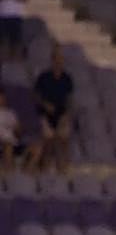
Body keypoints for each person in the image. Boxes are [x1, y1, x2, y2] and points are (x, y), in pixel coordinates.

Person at [33, 45, 72, 173]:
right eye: (56, 58)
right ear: (52, 60)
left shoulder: (67, 78)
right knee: (48, 138)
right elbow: (36, 96)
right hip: (45, 114)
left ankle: (64, 167)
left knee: (64, 137)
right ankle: (45, 165)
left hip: (61, 115)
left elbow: (69, 99)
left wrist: (66, 115)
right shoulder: (44, 77)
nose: (58, 61)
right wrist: (45, 105)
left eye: (60, 58)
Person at [0, 88, 22, 169]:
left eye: (3, 98)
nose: (2, 100)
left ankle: (7, 173)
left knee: (9, 145)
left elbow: (18, 128)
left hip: (9, 138)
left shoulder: (11, 112)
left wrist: (18, 130)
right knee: (7, 144)